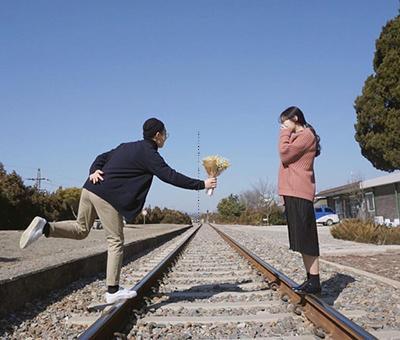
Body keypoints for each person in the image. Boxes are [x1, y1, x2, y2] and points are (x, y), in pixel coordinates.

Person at [20, 118, 217, 303]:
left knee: (81, 229)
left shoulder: (126, 146)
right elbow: (170, 176)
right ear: (158, 135)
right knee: (116, 241)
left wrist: (93, 171)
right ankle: (112, 291)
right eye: (165, 134)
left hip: (89, 189)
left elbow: (101, 157)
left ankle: (45, 227)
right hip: (108, 197)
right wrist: (203, 184)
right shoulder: (150, 154)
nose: (165, 137)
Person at [278, 106, 321, 294]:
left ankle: (315, 281)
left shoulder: (306, 135)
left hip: (300, 191)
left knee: (307, 238)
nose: (282, 126)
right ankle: (311, 280)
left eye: (284, 122)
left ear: (295, 118)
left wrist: (285, 133)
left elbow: (284, 154)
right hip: (292, 192)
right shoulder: (298, 137)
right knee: (301, 239)